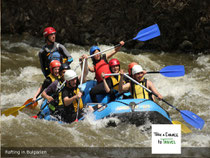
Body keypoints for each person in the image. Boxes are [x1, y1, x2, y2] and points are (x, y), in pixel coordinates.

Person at [62, 55, 88, 123]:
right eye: (72, 80)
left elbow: (84, 74)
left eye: (75, 79)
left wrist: (83, 63)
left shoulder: (75, 83)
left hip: (79, 110)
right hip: (71, 115)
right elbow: (66, 102)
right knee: (89, 111)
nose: (75, 81)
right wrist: (75, 97)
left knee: (96, 106)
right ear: (67, 81)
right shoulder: (65, 90)